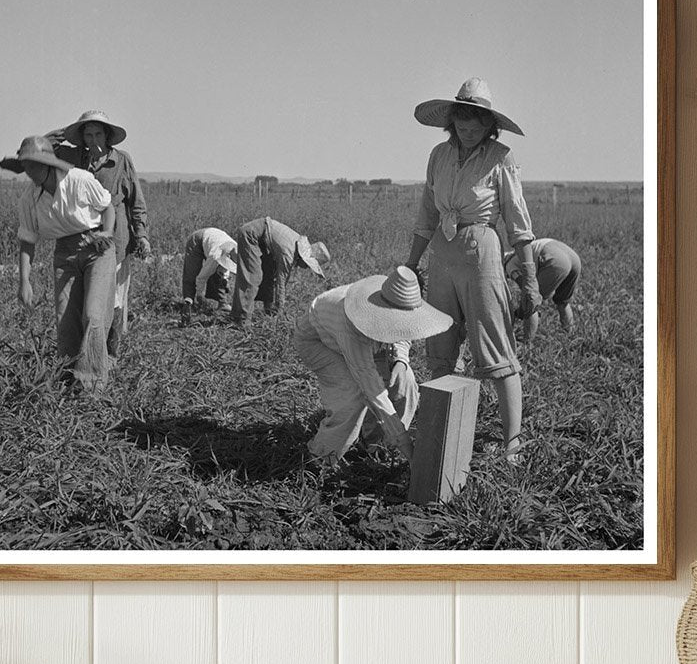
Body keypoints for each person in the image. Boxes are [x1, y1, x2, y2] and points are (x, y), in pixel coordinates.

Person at [403, 77, 541, 463]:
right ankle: (441, 430)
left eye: (475, 125)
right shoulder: (438, 155)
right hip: (442, 254)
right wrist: (411, 264)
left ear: (488, 125)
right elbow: (426, 215)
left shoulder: (501, 158)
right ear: (451, 122)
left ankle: (512, 443)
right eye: (461, 124)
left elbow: (518, 225)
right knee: (440, 346)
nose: (467, 131)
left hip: (481, 252)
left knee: (495, 349)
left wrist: (529, 281)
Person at [293, 265, 453, 462]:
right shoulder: (349, 320)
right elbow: (370, 386)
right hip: (319, 342)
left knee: (406, 382)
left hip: (364, 343)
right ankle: (320, 459)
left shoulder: (393, 298)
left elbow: (403, 328)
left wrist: (401, 360)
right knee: (351, 396)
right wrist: (404, 441)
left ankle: (378, 447)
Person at [1, 135, 116, 393]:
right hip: (64, 253)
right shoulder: (29, 199)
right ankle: (68, 378)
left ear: (49, 163)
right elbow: (27, 242)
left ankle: (93, 386)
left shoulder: (79, 181)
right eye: (26, 166)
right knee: (65, 319)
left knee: (93, 314)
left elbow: (108, 209)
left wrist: (107, 234)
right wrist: (24, 281)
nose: (30, 172)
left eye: (35, 165)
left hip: (97, 247)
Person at [49, 110, 151, 356]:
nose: (93, 140)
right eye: (88, 134)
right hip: (79, 242)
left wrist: (142, 236)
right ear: (82, 138)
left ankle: (110, 355)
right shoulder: (73, 157)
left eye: (98, 134)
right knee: (83, 301)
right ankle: (82, 356)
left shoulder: (121, 161)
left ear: (107, 137)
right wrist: (64, 133)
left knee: (112, 300)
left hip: (114, 240)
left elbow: (136, 202)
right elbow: (37, 150)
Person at [229, 216, 331, 327]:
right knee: (252, 277)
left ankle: (268, 310)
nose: (306, 268)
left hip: (263, 239)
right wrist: (280, 310)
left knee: (268, 274)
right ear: (304, 259)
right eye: (307, 265)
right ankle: (241, 319)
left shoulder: (295, 245)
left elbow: (276, 277)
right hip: (251, 234)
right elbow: (281, 283)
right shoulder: (289, 253)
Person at [505, 238, 582, 340]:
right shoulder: (522, 252)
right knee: (562, 302)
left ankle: (527, 342)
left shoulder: (509, 265)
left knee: (530, 301)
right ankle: (570, 337)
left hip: (554, 257)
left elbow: (528, 290)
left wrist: (519, 312)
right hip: (573, 257)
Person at [181, 227, 239, 317]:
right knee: (191, 273)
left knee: (220, 276)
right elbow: (202, 277)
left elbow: (225, 271)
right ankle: (189, 303)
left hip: (214, 239)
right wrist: (200, 294)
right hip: (197, 240)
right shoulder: (215, 256)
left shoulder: (237, 251)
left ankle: (222, 304)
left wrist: (225, 281)